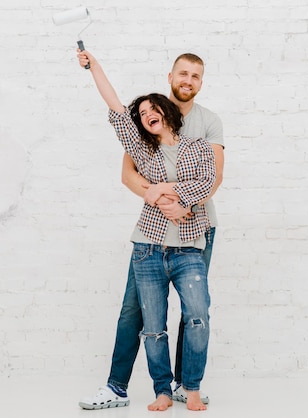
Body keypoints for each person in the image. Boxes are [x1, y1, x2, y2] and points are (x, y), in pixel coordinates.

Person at [78, 53, 224, 410]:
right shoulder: (144, 136)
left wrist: (180, 202)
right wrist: (155, 195)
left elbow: (213, 178)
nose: (188, 80)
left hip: (196, 230)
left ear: (200, 82)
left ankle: (184, 385)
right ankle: (119, 386)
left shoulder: (206, 125)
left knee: (195, 312)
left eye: (195, 75)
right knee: (138, 312)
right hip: (152, 238)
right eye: (182, 73)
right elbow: (128, 171)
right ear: (171, 77)